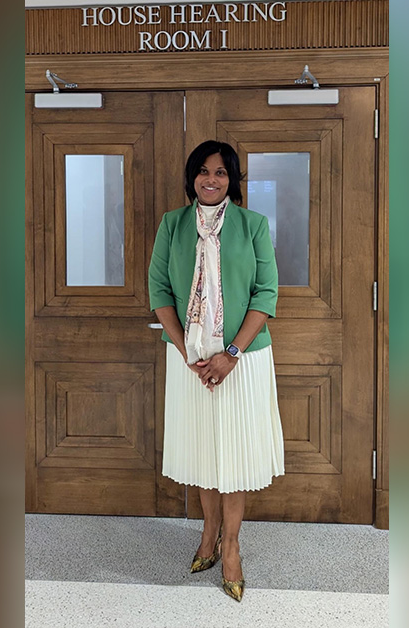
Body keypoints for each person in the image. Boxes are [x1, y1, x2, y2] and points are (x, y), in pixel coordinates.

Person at [147, 140, 285, 602]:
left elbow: (266, 294)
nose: (212, 179)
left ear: (233, 179)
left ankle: (233, 550)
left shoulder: (253, 226)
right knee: (203, 449)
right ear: (192, 177)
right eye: (204, 171)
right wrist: (189, 352)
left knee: (236, 455)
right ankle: (208, 534)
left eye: (222, 172)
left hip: (240, 361)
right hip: (189, 359)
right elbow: (160, 290)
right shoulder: (172, 224)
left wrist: (230, 354)